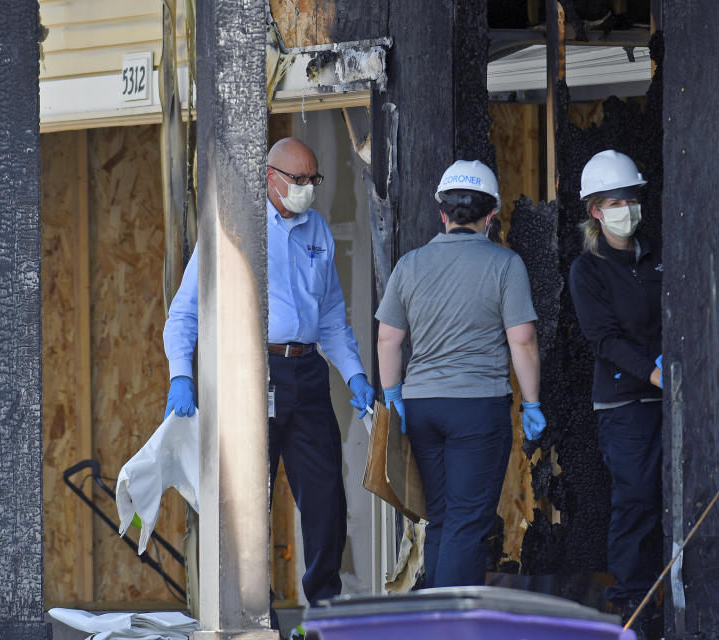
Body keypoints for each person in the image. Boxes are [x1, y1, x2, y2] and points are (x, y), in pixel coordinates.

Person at [162, 137, 375, 608]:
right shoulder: (233, 228)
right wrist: (182, 374)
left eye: (313, 180)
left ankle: (323, 606)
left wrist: (355, 374)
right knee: (247, 502)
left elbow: (333, 317)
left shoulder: (316, 228)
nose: (307, 189)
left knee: (326, 503)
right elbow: (184, 313)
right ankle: (247, 609)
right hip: (251, 374)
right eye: (298, 180)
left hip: (308, 375)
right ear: (269, 177)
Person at [374, 159, 546, 587]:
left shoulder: (410, 265)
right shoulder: (506, 265)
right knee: (468, 525)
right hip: (476, 410)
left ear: (442, 213)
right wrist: (532, 403)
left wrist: (394, 396)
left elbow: (387, 340)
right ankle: (451, 627)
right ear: (491, 216)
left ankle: (432, 623)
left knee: (443, 519)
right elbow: (522, 340)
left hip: (423, 407)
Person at [568, 150, 663, 628]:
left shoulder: (657, 256)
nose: (627, 208)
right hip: (625, 402)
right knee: (637, 497)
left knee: (671, 494)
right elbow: (603, 339)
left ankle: (663, 597)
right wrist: (652, 373)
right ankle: (631, 601)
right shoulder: (588, 271)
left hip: (669, 396)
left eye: (632, 198)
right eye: (615, 201)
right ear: (596, 211)